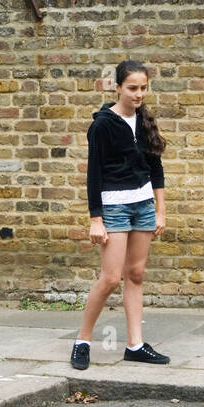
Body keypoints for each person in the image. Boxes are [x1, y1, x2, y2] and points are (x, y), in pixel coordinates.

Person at [71, 58, 169, 370]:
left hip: (143, 207)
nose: (138, 94)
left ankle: (135, 345)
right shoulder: (102, 125)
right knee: (111, 277)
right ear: (117, 87)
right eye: (132, 88)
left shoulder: (144, 120)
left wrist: (160, 211)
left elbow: (156, 169)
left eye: (143, 88)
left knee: (136, 274)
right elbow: (93, 175)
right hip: (113, 207)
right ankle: (82, 341)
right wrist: (95, 219)